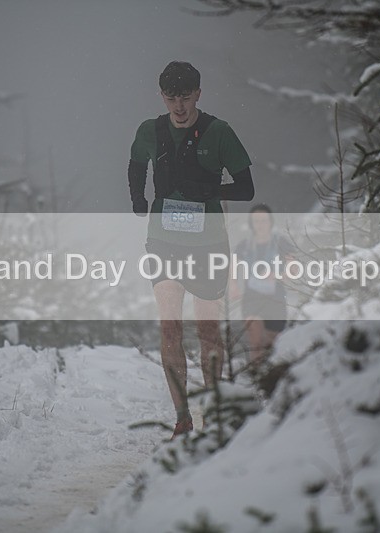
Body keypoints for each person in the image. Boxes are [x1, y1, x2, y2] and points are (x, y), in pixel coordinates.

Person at [128, 61, 254, 439]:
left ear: (198, 94)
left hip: (208, 244)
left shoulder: (219, 132)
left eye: (185, 97)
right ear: (162, 97)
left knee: (208, 333)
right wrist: (138, 197)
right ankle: (182, 417)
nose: (179, 106)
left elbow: (246, 188)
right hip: (163, 240)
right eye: (171, 98)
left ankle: (213, 414)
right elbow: (136, 164)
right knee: (170, 328)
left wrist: (211, 190)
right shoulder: (150, 130)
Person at [229, 204, 292, 370]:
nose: (260, 224)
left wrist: (277, 276)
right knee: (255, 338)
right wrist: (234, 286)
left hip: (276, 297)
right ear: (251, 223)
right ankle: (256, 371)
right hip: (252, 297)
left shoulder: (281, 242)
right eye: (256, 221)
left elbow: (293, 268)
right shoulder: (245, 245)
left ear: (270, 222)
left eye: (264, 220)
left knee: (273, 342)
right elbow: (232, 266)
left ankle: (271, 375)